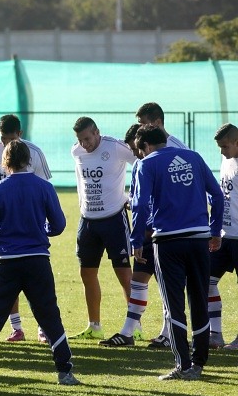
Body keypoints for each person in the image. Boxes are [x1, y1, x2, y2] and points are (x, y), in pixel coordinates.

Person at [0, 140, 78, 386]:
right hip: (37, 259)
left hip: (6, 261)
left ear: (5, 161)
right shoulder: (44, 187)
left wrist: (5, 237)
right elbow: (59, 225)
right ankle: (64, 371)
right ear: (29, 160)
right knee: (49, 316)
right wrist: (42, 233)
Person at [130, 123, 223, 380]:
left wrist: (136, 240)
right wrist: (214, 230)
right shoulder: (193, 157)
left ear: (146, 146)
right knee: (199, 300)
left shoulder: (147, 164)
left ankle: (183, 365)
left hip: (168, 242)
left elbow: (139, 205)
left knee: (174, 305)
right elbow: (217, 194)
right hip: (199, 239)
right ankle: (199, 363)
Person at [100, 123, 187, 347]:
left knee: (168, 285)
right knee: (139, 280)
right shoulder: (142, 162)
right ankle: (128, 332)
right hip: (147, 232)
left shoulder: (173, 152)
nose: (135, 153)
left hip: (164, 232)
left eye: (136, 148)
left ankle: (169, 333)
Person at [0, 113, 52, 343]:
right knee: (6, 282)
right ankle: (17, 327)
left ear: (20, 135)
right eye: (2, 139)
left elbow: (44, 188)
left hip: (31, 226)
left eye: (10, 139)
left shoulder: (34, 153)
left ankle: (43, 327)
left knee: (36, 283)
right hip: (3, 230)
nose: (5, 145)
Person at [70, 116, 135, 340]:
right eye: (80, 140)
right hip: (87, 221)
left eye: (87, 138)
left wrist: (132, 196)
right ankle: (94, 325)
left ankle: (134, 326)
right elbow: (81, 181)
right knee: (87, 273)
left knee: (124, 274)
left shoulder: (116, 147)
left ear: (97, 132)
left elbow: (142, 164)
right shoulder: (76, 152)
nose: (84, 144)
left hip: (114, 219)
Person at [208, 123, 238, 350]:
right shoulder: (226, 160)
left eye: (225, 146)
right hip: (224, 236)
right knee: (206, 280)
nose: (222, 151)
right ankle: (215, 334)